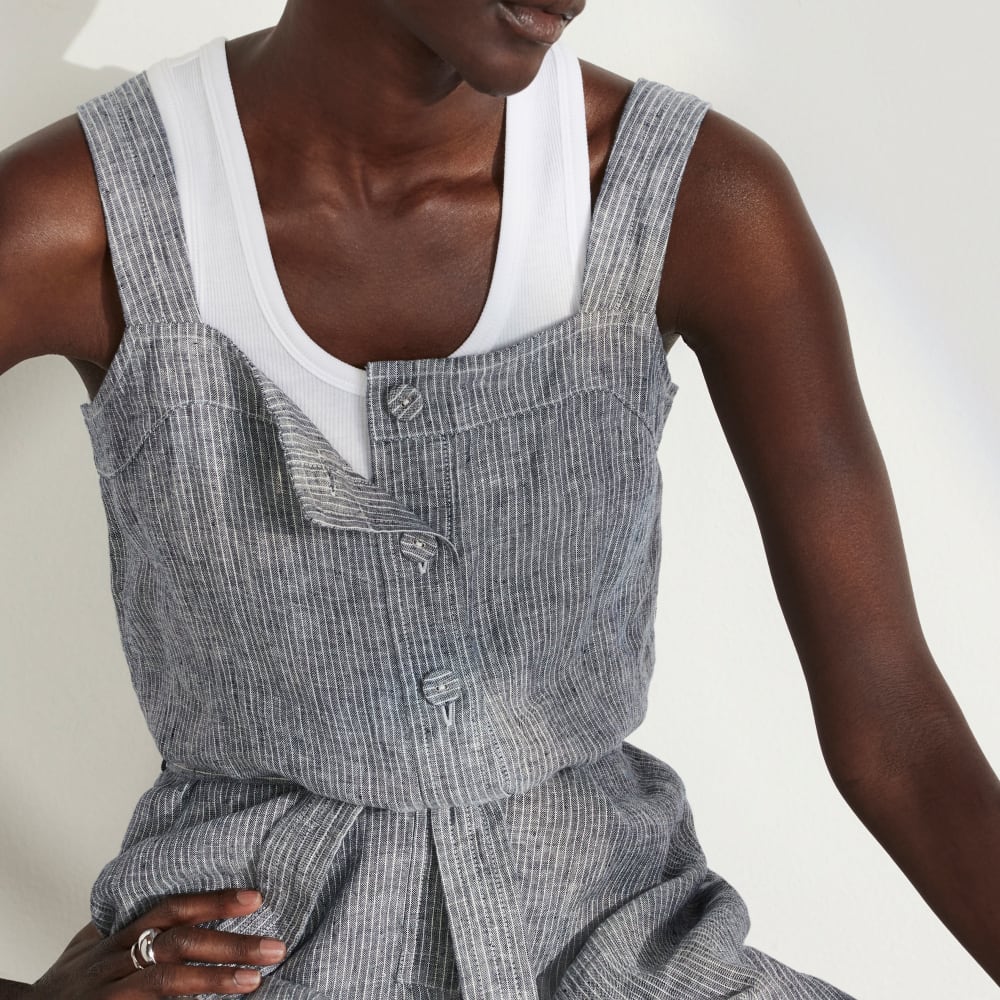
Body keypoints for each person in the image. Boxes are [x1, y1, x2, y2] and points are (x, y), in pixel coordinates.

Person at [1, 2, 998, 999]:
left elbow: (897, 735)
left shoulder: (691, 196)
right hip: (252, 967)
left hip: (627, 954)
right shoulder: (82, 215)